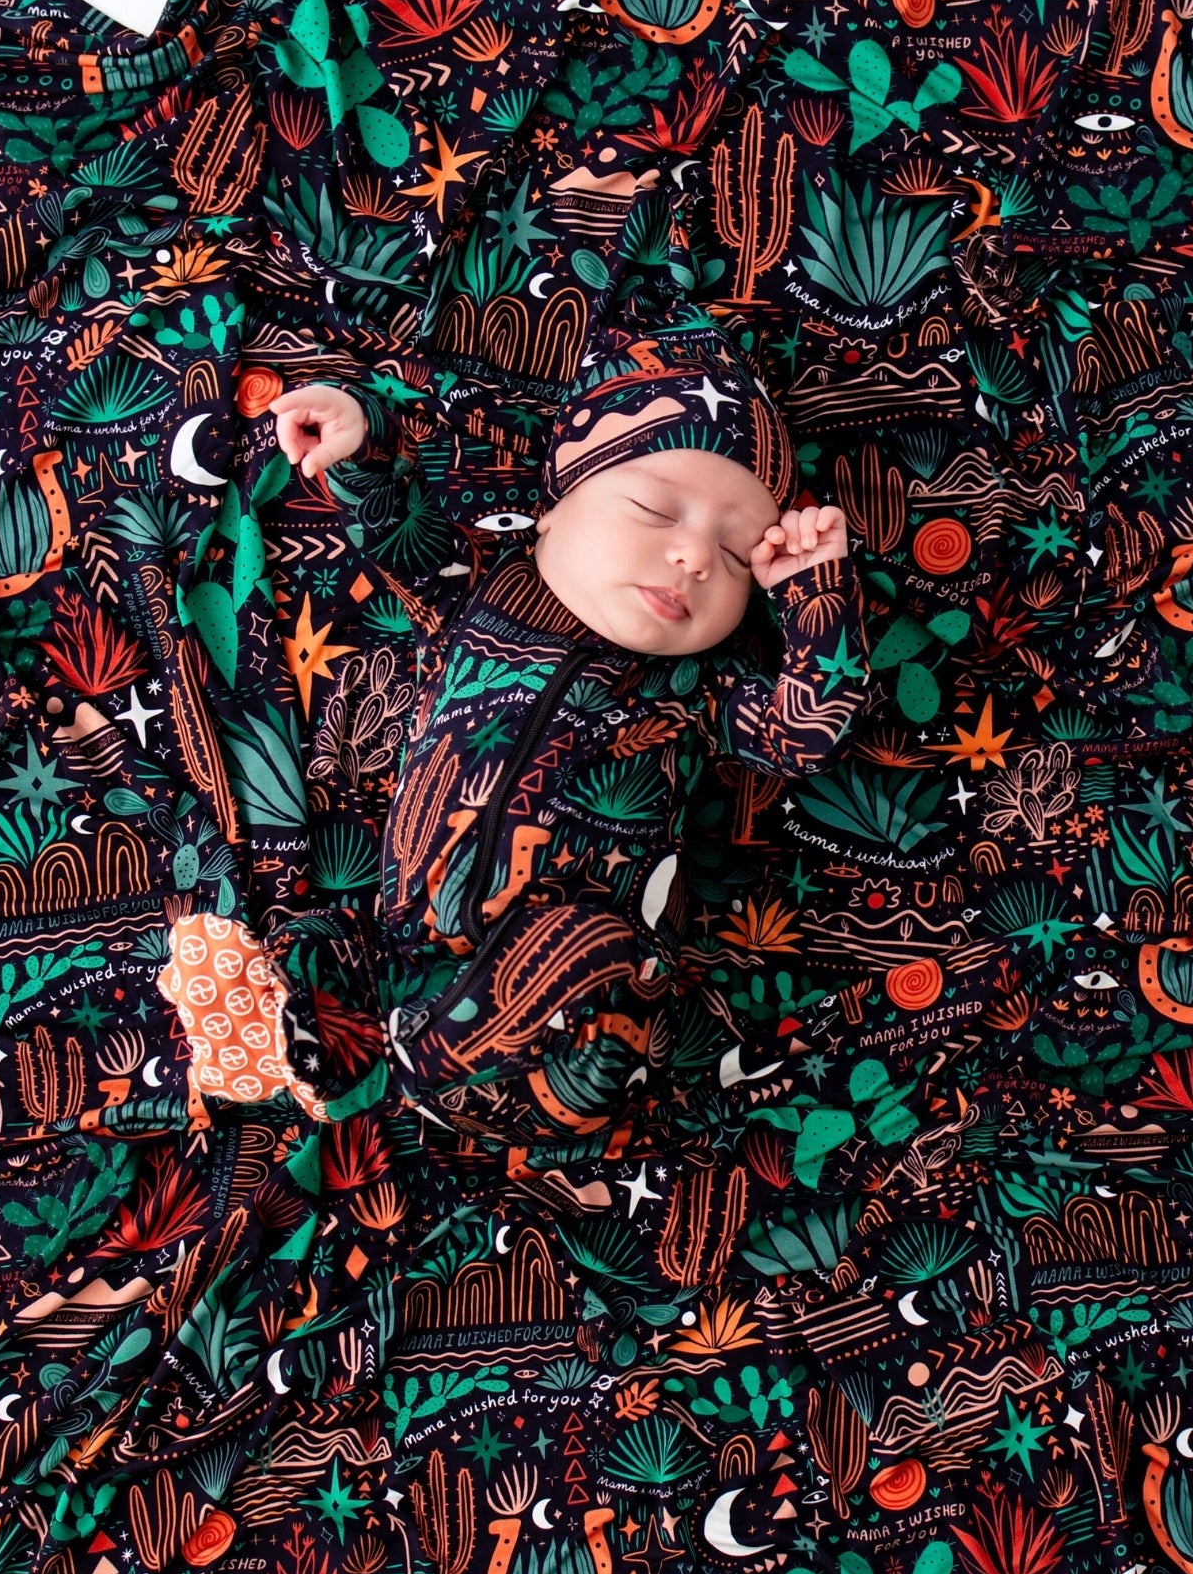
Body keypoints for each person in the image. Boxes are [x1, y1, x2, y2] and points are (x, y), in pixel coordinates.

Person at [267, 315, 869, 1195]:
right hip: (407, 947)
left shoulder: (695, 688)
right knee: (307, 935)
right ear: (550, 512)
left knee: (585, 946)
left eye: (739, 555)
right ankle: (358, 1045)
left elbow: (807, 731)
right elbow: (396, 530)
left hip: (566, 1038)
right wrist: (359, 443)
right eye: (655, 509)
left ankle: (413, 1067)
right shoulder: (479, 591)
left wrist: (816, 597)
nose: (695, 556)